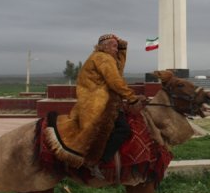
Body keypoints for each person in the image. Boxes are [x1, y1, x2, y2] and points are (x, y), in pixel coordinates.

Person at [46, 34, 146, 176]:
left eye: (117, 47)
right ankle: (99, 163)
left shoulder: (102, 57)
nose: (116, 50)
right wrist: (131, 98)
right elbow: (115, 81)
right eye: (114, 46)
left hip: (99, 101)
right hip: (100, 103)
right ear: (104, 46)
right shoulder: (103, 58)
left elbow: (117, 71)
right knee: (123, 129)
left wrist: (123, 49)